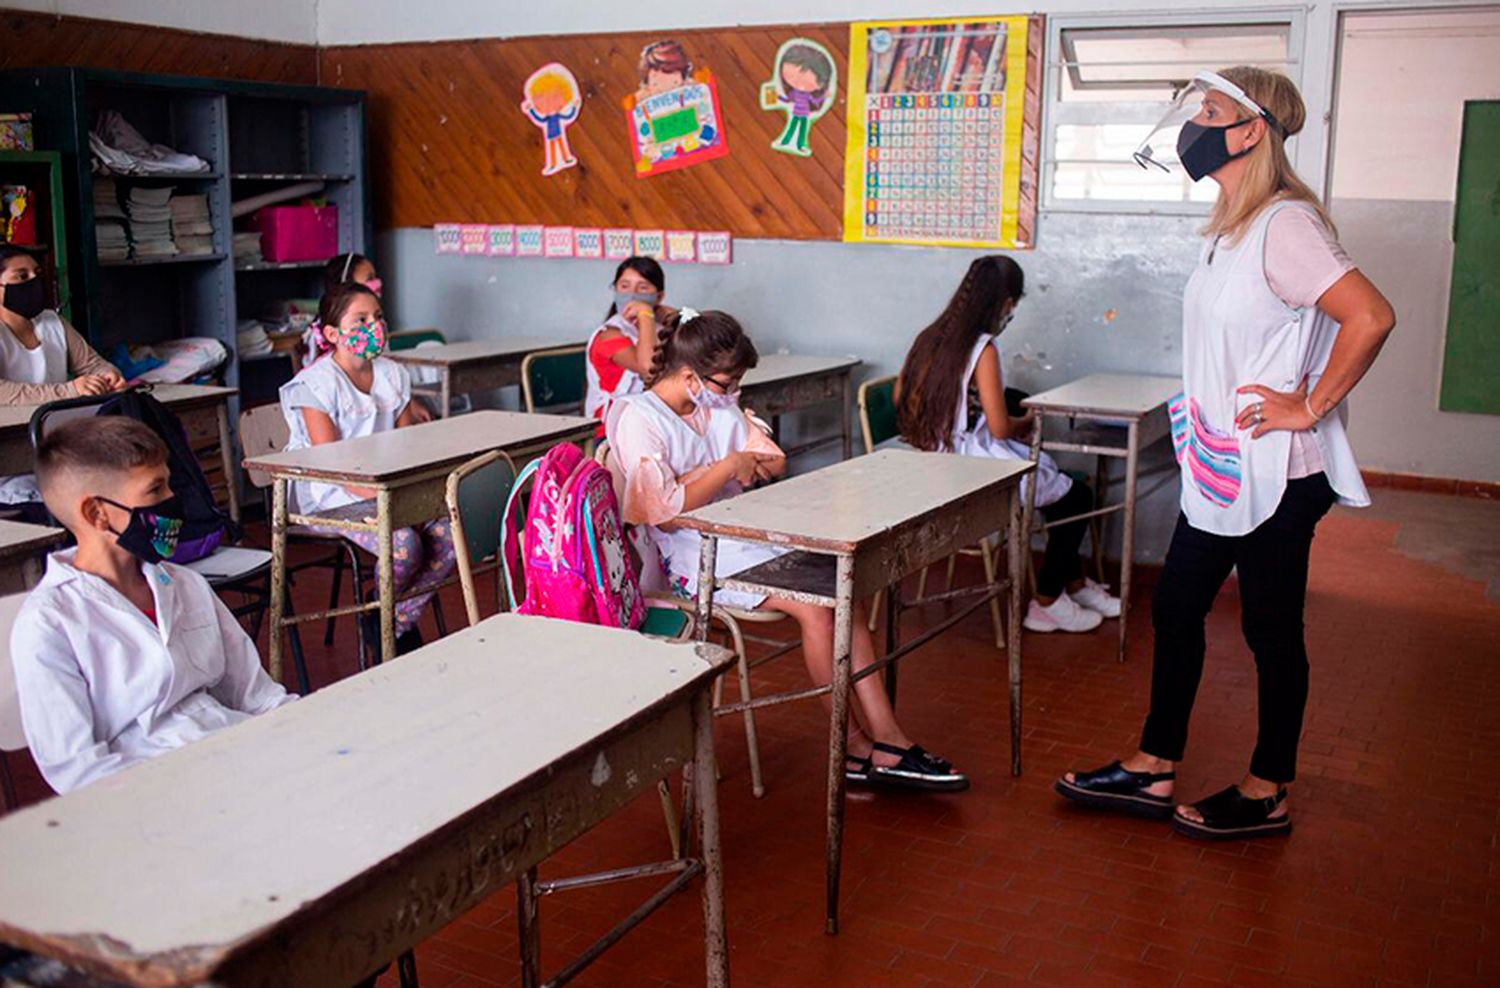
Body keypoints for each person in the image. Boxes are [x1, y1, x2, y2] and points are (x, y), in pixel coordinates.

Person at [1057, 67, 1395, 840]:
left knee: (1270, 632)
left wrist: (1309, 405)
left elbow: (1370, 316)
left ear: (1252, 131)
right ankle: (1154, 764)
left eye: (1211, 112)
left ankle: (1269, 786)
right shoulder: (1232, 224)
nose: (1194, 126)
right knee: (1176, 608)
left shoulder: (1287, 224)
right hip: (1222, 464)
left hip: (1280, 471)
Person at [606, 308, 967, 791]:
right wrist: (729, 465)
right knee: (819, 610)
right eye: (726, 384)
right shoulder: (637, 417)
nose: (733, 395)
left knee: (846, 590)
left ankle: (889, 738)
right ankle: (854, 747)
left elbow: (772, 462)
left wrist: (710, 474)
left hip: (741, 535)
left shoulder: (714, 403)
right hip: (687, 557)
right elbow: (664, 512)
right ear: (689, 374)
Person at [11, 417, 294, 794]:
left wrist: (304, 736)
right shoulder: (50, 623)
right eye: (154, 490)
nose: (171, 502)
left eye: (168, 484)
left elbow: (257, 697)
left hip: (237, 761)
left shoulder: (185, 583)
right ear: (97, 513)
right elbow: (78, 772)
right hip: (150, 797)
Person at [896, 256, 1121, 633]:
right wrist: (1029, 420)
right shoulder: (982, 348)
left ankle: (1075, 585)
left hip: (931, 456)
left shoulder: (928, 337)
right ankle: (1048, 600)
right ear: (1004, 304)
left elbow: (903, 396)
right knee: (1076, 497)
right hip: (967, 468)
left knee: (1060, 492)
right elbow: (1000, 429)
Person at [279, 282, 452, 654]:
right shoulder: (316, 384)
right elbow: (333, 465)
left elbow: (409, 443)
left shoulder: (392, 374)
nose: (373, 326)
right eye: (360, 319)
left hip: (383, 488)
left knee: (448, 536)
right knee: (404, 543)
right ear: (331, 334)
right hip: (331, 495)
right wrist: (387, 496)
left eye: (377, 317)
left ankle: (391, 619)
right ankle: (391, 623)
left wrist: (412, 491)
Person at [0, 245, 124, 520]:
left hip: (58, 451)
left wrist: (108, 374)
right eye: (21, 276)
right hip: (10, 468)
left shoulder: (51, 322)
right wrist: (69, 390)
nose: (33, 282)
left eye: (37, 274)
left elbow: (92, 363)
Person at [585, 257, 674, 435]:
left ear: (659, 296)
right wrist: (645, 315)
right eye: (624, 286)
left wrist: (672, 315)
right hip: (613, 430)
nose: (632, 295)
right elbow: (649, 368)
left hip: (653, 422)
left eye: (643, 288)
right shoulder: (608, 334)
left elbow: (701, 342)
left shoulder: (658, 326)